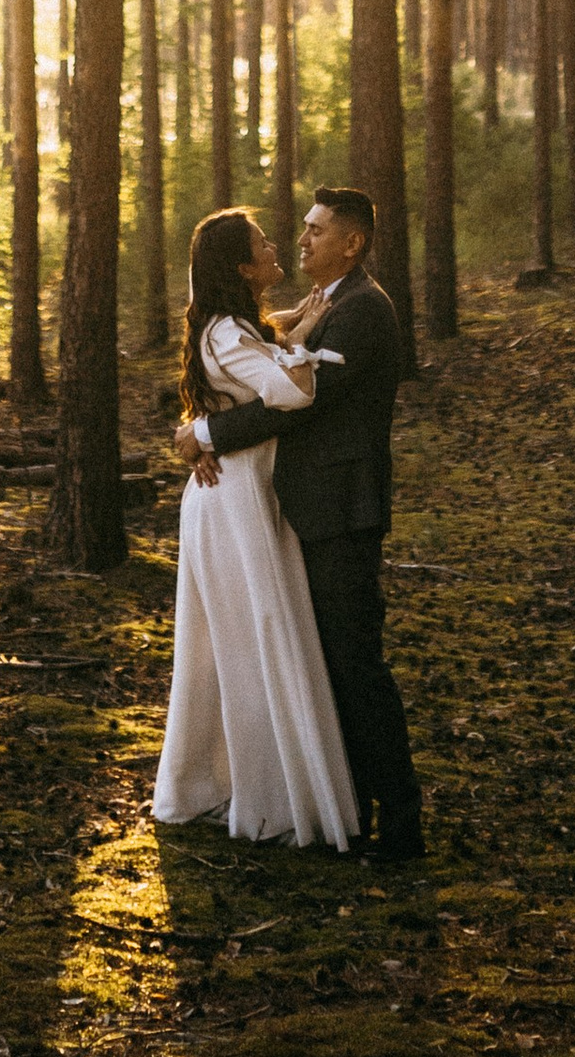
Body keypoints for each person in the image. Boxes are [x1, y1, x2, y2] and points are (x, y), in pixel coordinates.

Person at [186, 185, 425, 866]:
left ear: (352, 242)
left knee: (356, 665)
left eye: (318, 231)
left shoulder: (363, 312)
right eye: (304, 228)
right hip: (308, 508)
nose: (302, 239)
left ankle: (400, 825)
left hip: (341, 510)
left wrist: (205, 434)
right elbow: (268, 361)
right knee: (329, 665)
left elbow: (300, 404)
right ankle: (347, 806)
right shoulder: (329, 305)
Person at [152, 207, 361, 851]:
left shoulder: (236, 326)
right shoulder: (224, 333)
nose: (278, 248)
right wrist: (302, 344)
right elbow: (291, 394)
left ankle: (251, 783)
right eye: (263, 243)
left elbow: (262, 341)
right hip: (233, 499)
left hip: (248, 489)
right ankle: (263, 797)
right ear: (243, 267)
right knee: (251, 642)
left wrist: (294, 325)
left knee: (261, 636)